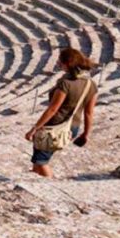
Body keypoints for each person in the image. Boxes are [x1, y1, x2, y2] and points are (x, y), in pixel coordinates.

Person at [25, 48, 98, 178]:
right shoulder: (91, 85)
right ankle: (38, 179)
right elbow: (88, 113)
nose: (58, 64)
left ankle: (49, 185)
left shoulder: (65, 84)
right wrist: (86, 134)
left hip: (54, 128)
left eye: (60, 62)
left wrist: (34, 129)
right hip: (72, 128)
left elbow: (53, 109)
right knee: (38, 159)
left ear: (68, 63)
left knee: (41, 162)